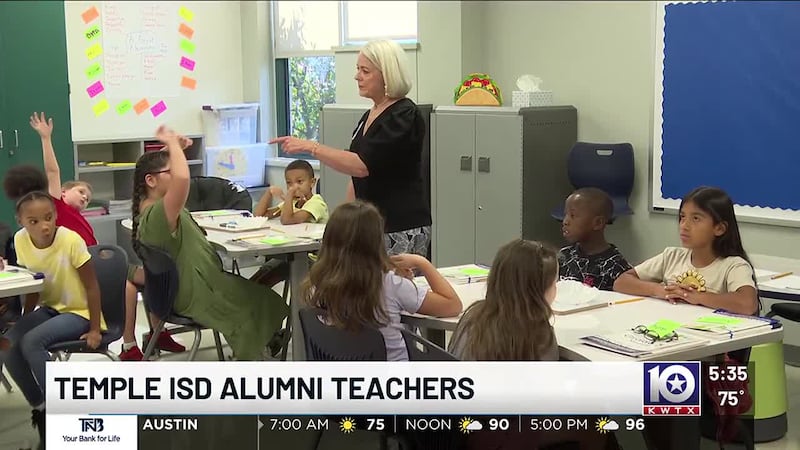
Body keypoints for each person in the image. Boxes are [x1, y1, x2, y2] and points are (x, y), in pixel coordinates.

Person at [25, 113, 185, 361]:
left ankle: (154, 332)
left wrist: (170, 149)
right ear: (63, 192)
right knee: (135, 280)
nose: (85, 198)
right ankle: (133, 342)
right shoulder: (56, 208)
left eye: (88, 197)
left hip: (95, 267)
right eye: (80, 192)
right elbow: (52, 171)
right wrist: (46, 138)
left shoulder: (81, 219)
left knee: (149, 274)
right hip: (83, 271)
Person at [131, 125, 288, 361]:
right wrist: (173, 144)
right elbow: (183, 179)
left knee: (261, 293)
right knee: (261, 299)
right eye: (169, 172)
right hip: (196, 293)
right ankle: (252, 355)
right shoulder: (157, 215)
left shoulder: (151, 209)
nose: (175, 174)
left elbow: (165, 171)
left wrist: (174, 150)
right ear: (151, 181)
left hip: (187, 288)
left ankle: (261, 345)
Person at [449, 239, 615, 450]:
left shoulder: (474, 315)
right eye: (554, 283)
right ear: (538, 290)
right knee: (597, 412)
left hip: (463, 428)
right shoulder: (536, 331)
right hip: (506, 434)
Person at [270, 40, 431, 256]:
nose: (357, 77)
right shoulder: (370, 115)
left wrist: (312, 147)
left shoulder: (403, 115)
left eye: (365, 71)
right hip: (369, 224)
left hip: (398, 225)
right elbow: (355, 174)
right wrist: (343, 220)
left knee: (392, 288)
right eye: (358, 69)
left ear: (387, 75)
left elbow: (362, 165)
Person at [1, 191, 104, 446]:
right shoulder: (20, 240)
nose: (44, 226)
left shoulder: (71, 240)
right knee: (9, 342)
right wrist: (26, 319)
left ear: (56, 215)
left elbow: (92, 287)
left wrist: (94, 329)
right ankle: (42, 407)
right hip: (50, 308)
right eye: (33, 221)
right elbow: (37, 282)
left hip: (79, 312)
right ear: (21, 221)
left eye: (48, 218)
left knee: (32, 342)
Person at [302, 200, 461, 361]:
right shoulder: (391, 285)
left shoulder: (317, 284)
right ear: (376, 241)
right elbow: (453, 305)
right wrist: (423, 263)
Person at [613, 186, 758, 315]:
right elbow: (621, 282)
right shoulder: (672, 256)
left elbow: (747, 304)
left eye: (696, 218)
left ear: (719, 228)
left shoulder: (733, 265)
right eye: (682, 217)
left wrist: (696, 296)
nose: (684, 226)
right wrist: (660, 290)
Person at [558, 187, 632, 291]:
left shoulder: (616, 266)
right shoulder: (563, 257)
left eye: (573, 215)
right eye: (565, 214)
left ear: (598, 223)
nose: (565, 221)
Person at [253, 159, 329, 225]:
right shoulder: (292, 202)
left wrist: (289, 194)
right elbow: (258, 217)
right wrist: (269, 192)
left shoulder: (316, 203)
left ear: (312, 182)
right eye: (289, 183)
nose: (294, 187)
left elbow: (287, 220)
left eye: (299, 181)